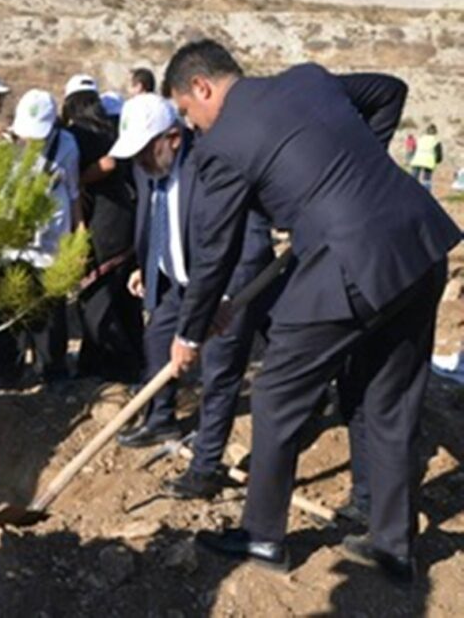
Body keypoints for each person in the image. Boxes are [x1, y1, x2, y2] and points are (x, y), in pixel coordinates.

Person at [164, 39, 460, 582]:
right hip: (418, 246)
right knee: (389, 398)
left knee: (277, 391)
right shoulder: (307, 79)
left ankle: (262, 536)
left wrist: (190, 331)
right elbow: (389, 92)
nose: (194, 124)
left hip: (347, 260)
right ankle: (393, 546)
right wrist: (353, 172)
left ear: (201, 87)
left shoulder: (223, 142)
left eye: (187, 111)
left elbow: (215, 250)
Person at [109, 94, 275, 500]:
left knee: (219, 371)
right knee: (156, 341)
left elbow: (254, 239)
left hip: (226, 289)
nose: (140, 163)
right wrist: (146, 268)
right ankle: (161, 418)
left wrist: (231, 297)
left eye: (146, 151)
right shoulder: (150, 166)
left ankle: (204, 469)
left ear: (173, 138)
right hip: (181, 284)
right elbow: (154, 220)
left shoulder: (216, 166)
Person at [0, 89, 81, 389]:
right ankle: (7, 374)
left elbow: (74, 195)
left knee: (50, 312)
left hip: (51, 242)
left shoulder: (66, 146)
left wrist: (77, 240)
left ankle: (52, 371)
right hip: (11, 244)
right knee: (10, 311)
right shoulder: (3, 147)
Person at [61, 75, 143, 383]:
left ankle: (118, 369)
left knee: (98, 303)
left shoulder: (73, 135)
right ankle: (116, 361)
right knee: (125, 299)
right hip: (124, 220)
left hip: (99, 226)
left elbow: (106, 166)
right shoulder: (112, 128)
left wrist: (77, 181)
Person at [409, 124, 442, 190]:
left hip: (417, 160)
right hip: (428, 162)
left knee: (414, 177)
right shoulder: (436, 141)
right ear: (435, 132)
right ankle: (425, 193)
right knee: (426, 179)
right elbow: (438, 154)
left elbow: (414, 149)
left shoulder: (420, 139)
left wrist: (411, 158)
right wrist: (438, 160)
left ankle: (410, 190)